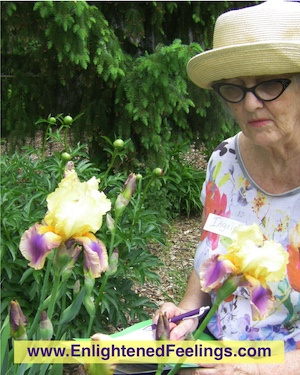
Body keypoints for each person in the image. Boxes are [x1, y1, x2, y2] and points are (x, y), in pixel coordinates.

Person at [154, 1, 300, 374]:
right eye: (234, 88)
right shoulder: (224, 161)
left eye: (269, 84)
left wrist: (270, 369)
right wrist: (186, 313)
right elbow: (212, 249)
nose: (250, 103)